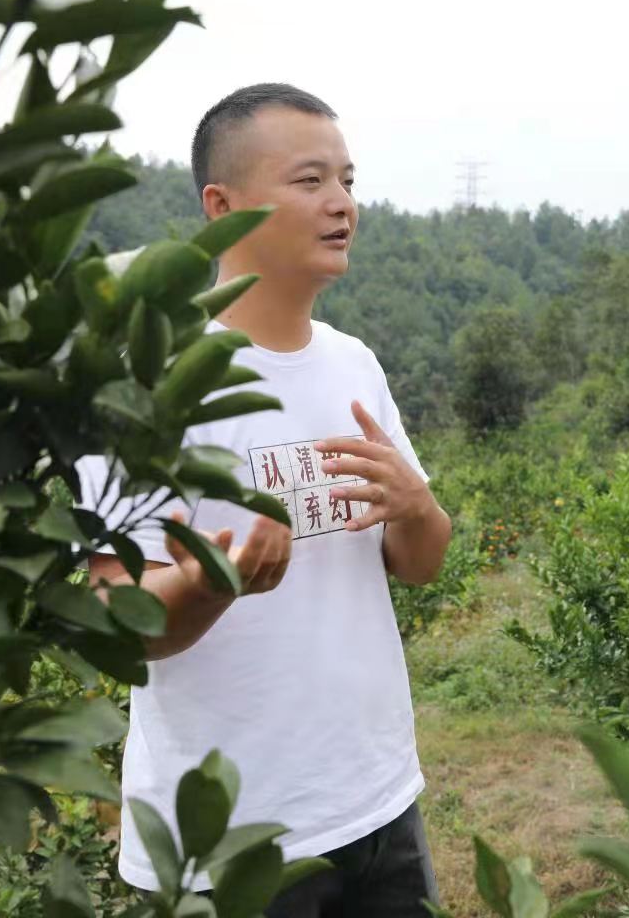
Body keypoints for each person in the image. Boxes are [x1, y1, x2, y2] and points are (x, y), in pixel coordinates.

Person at [80, 83, 453, 916]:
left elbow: (421, 563)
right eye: (310, 180)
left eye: (348, 181)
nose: (342, 204)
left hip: (379, 802)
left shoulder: (354, 365)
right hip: (230, 848)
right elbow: (116, 626)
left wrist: (416, 506)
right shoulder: (150, 382)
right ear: (222, 208)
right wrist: (212, 584)